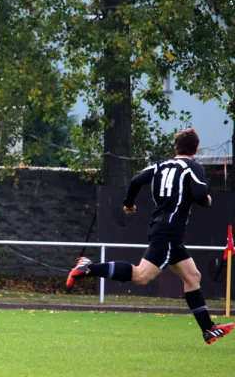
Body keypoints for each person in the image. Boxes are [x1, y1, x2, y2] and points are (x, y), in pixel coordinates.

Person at [66, 128, 234, 344]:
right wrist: (207, 201)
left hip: (163, 229)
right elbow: (201, 195)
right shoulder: (193, 167)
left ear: (175, 148)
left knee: (192, 276)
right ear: (196, 149)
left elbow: (136, 180)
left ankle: (208, 329)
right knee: (141, 276)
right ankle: (89, 268)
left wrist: (128, 204)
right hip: (169, 232)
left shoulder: (160, 165)